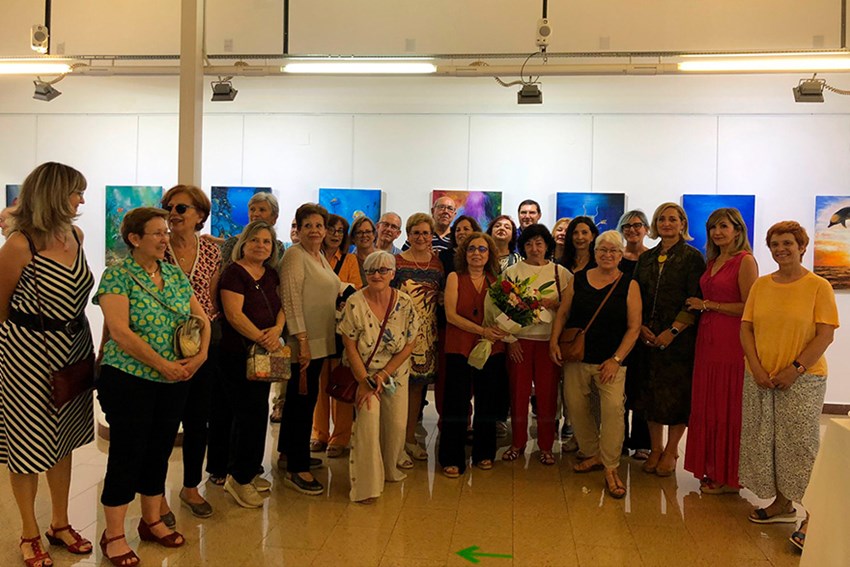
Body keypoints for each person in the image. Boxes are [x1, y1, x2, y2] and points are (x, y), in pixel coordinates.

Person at [94, 207, 210, 567]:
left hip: (174, 379)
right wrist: (162, 364)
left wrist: (201, 356)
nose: (165, 239)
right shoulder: (117, 276)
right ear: (134, 239)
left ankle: (151, 520)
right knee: (128, 453)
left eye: (166, 232)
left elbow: (201, 318)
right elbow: (120, 331)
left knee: (159, 450)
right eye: (157, 233)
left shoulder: (173, 274)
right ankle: (114, 534)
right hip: (129, 378)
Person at [0, 163, 95, 567]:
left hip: (73, 350)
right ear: (55, 193)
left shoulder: (76, 235)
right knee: (27, 445)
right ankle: (28, 530)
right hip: (27, 355)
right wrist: (20, 352)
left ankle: (60, 522)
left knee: (63, 440)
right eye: (77, 192)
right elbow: (1, 307)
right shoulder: (19, 244)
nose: (82, 200)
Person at [738, 221, 837, 552]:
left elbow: (825, 334)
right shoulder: (761, 285)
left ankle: (813, 516)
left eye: (788, 243)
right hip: (761, 377)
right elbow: (746, 328)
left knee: (800, 445)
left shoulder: (818, 286)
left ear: (802, 246)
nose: (781, 249)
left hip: (803, 379)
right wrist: (755, 367)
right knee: (768, 440)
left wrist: (795, 370)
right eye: (775, 244)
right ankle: (782, 504)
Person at [550, 231, 641, 498]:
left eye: (613, 251)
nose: (607, 255)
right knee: (576, 407)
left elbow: (634, 328)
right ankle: (593, 453)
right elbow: (563, 313)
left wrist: (616, 359)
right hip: (577, 358)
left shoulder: (629, 284)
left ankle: (611, 467)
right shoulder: (578, 279)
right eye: (603, 250)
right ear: (595, 252)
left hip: (611, 363)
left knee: (613, 411)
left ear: (621, 255)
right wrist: (553, 341)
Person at [683, 208, 758, 494]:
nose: (717, 232)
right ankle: (712, 467)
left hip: (731, 340)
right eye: (713, 227)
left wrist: (708, 305)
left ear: (737, 230)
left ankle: (730, 476)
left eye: (723, 226)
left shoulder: (745, 260)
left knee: (728, 406)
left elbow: (750, 307)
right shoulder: (713, 261)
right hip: (707, 339)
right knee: (710, 404)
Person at [157, 185, 221, 521]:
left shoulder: (210, 250)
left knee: (198, 420)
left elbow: (212, 298)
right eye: (169, 207)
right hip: (163, 344)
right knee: (164, 423)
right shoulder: (158, 246)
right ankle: (156, 496)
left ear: (200, 215)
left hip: (202, 345)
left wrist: (206, 347)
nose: (173, 213)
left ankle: (191, 486)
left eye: (181, 208)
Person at [338, 251, 420, 503]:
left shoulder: (404, 302)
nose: (377, 275)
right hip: (364, 373)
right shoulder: (355, 302)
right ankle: (367, 485)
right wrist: (364, 381)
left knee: (396, 425)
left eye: (383, 270)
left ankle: (389, 469)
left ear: (393, 274)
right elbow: (349, 344)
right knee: (369, 422)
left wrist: (385, 374)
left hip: (395, 372)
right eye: (371, 271)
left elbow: (410, 343)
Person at [632, 202, 705, 477]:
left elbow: (694, 300)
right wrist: (640, 327)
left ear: (682, 223)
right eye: (661, 219)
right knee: (649, 394)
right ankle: (655, 448)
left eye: (673, 219)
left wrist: (672, 331)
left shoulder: (692, 258)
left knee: (676, 396)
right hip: (647, 337)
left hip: (679, 340)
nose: (666, 223)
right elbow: (635, 295)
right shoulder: (646, 258)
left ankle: (672, 449)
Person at [219, 221, 285, 508]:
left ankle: (246, 472)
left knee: (257, 413)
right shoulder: (233, 273)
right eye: (255, 240)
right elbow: (233, 315)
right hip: (238, 354)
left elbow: (282, 306)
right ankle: (239, 478)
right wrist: (261, 338)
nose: (261, 245)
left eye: (266, 241)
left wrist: (277, 330)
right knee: (247, 415)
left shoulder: (271, 274)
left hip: (263, 354)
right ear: (243, 243)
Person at [277, 203, 341, 495]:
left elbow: (331, 287)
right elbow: (290, 299)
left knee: (303, 400)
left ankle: (289, 453)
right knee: (301, 404)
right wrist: (301, 341)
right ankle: (297, 467)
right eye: (308, 226)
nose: (314, 231)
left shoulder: (319, 256)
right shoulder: (295, 255)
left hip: (319, 340)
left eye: (319, 226)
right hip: (303, 343)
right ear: (299, 229)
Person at [502, 224, 571, 465]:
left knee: (548, 396)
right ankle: (517, 442)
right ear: (523, 247)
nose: (534, 248)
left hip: (548, 343)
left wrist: (555, 304)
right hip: (520, 342)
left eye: (539, 243)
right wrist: (510, 340)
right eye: (529, 243)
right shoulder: (512, 272)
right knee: (518, 395)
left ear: (547, 245)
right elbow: (502, 308)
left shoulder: (560, 273)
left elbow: (570, 309)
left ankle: (546, 446)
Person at [439, 232, 507, 477]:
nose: (477, 253)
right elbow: (451, 316)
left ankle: (484, 453)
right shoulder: (455, 278)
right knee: (456, 403)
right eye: (471, 249)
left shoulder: (497, 281)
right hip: (459, 347)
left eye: (482, 249)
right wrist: (482, 331)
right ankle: (452, 457)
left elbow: (504, 314)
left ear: (490, 254)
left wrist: (501, 329)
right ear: (464, 253)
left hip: (491, 349)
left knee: (487, 402)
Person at [392, 213, 444, 462]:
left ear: (431, 235)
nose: (421, 237)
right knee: (395, 389)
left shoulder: (438, 264)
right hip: (400, 333)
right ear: (408, 235)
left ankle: (409, 438)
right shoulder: (396, 262)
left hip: (427, 334)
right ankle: (392, 441)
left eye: (425, 233)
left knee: (416, 389)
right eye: (416, 233)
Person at [310, 214, 362, 458]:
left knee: (341, 380)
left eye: (340, 231)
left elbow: (356, 292)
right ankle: (319, 434)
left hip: (341, 329)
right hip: (316, 326)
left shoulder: (349, 259)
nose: (335, 234)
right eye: (331, 229)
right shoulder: (312, 257)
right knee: (319, 384)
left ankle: (340, 437)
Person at [616, 209, 652, 461]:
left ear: (646, 229)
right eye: (627, 226)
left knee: (642, 387)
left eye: (637, 225)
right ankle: (618, 439)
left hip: (646, 331)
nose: (632, 230)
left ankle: (642, 442)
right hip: (619, 329)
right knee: (619, 389)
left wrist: (643, 326)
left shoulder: (652, 258)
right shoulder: (616, 257)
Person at [350, 216, 377, 285]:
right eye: (359, 232)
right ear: (353, 237)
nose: (364, 235)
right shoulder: (349, 262)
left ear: (374, 235)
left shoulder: (383, 259)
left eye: (368, 232)